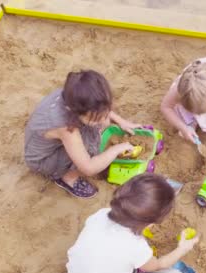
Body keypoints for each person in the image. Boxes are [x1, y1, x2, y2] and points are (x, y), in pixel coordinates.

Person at [66, 173, 200, 273]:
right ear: (149, 223)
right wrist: (182, 249)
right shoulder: (135, 246)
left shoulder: (101, 214)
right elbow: (157, 265)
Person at [24, 70, 140, 198]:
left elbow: (99, 105)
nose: (102, 120)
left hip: (52, 141)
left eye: (105, 113)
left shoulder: (75, 95)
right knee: (90, 145)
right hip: (43, 160)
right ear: (74, 112)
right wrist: (116, 149)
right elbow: (88, 168)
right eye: (95, 118)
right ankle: (68, 179)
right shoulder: (66, 127)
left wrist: (121, 121)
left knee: (99, 127)